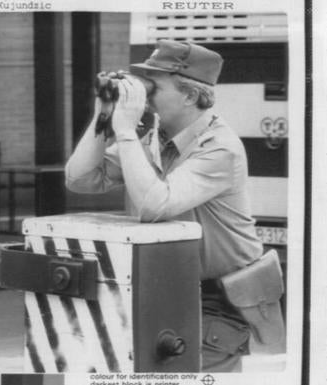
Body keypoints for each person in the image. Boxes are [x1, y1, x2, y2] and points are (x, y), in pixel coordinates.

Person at [65, 39, 264, 372]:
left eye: (152, 87)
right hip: (161, 290)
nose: (144, 96)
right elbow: (80, 179)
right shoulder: (154, 139)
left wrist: (126, 130)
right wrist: (104, 117)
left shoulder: (220, 149)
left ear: (189, 95)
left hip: (214, 304)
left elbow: (154, 207)